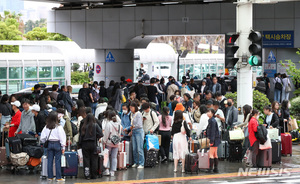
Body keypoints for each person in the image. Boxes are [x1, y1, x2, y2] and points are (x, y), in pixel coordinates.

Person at [40, 111, 66, 182]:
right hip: (57, 144)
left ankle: (50, 177)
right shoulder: (59, 127)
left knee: (50, 160)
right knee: (57, 161)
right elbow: (62, 137)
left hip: (49, 144)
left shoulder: (46, 127)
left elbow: (42, 137)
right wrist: (63, 147)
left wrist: (45, 141)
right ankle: (58, 177)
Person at [79, 113, 102, 179]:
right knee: (94, 159)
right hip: (93, 144)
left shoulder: (83, 126)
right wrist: (96, 136)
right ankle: (94, 175)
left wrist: (80, 145)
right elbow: (101, 134)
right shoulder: (95, 125)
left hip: (85, 145)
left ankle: (87, 175)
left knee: (86, 160)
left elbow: (81, 136)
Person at [102, 111, 121, 177]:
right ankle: (113, 171)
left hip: (109, 142)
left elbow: (106, 134)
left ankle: (107, 169)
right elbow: (119, 134)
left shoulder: (108, 124)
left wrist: (104, 141)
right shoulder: (118, 124)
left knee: (106, 156)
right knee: (114, 157)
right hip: (116, 143)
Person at [129, 102, 144, 169]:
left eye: (132, 108)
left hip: (139, 131)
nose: (131, 109)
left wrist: (133, 127)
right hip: (134, 131)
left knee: (139, 148)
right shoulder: (131, 114)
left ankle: (141, 163)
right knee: (134, 148)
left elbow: (139, 124)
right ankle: (136, 162)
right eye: (130, 108)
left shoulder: (138, 114)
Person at [206, 108, 220, 173]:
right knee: (215, 154)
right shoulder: (212, 120)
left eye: (209, 112)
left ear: (212, 113)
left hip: (214, 139)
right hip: (216, 139)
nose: (207, 113)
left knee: (211, 154)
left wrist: (211, 141)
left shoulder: (212, 121)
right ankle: (215, 168)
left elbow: (213, 131)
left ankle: (210, 168)